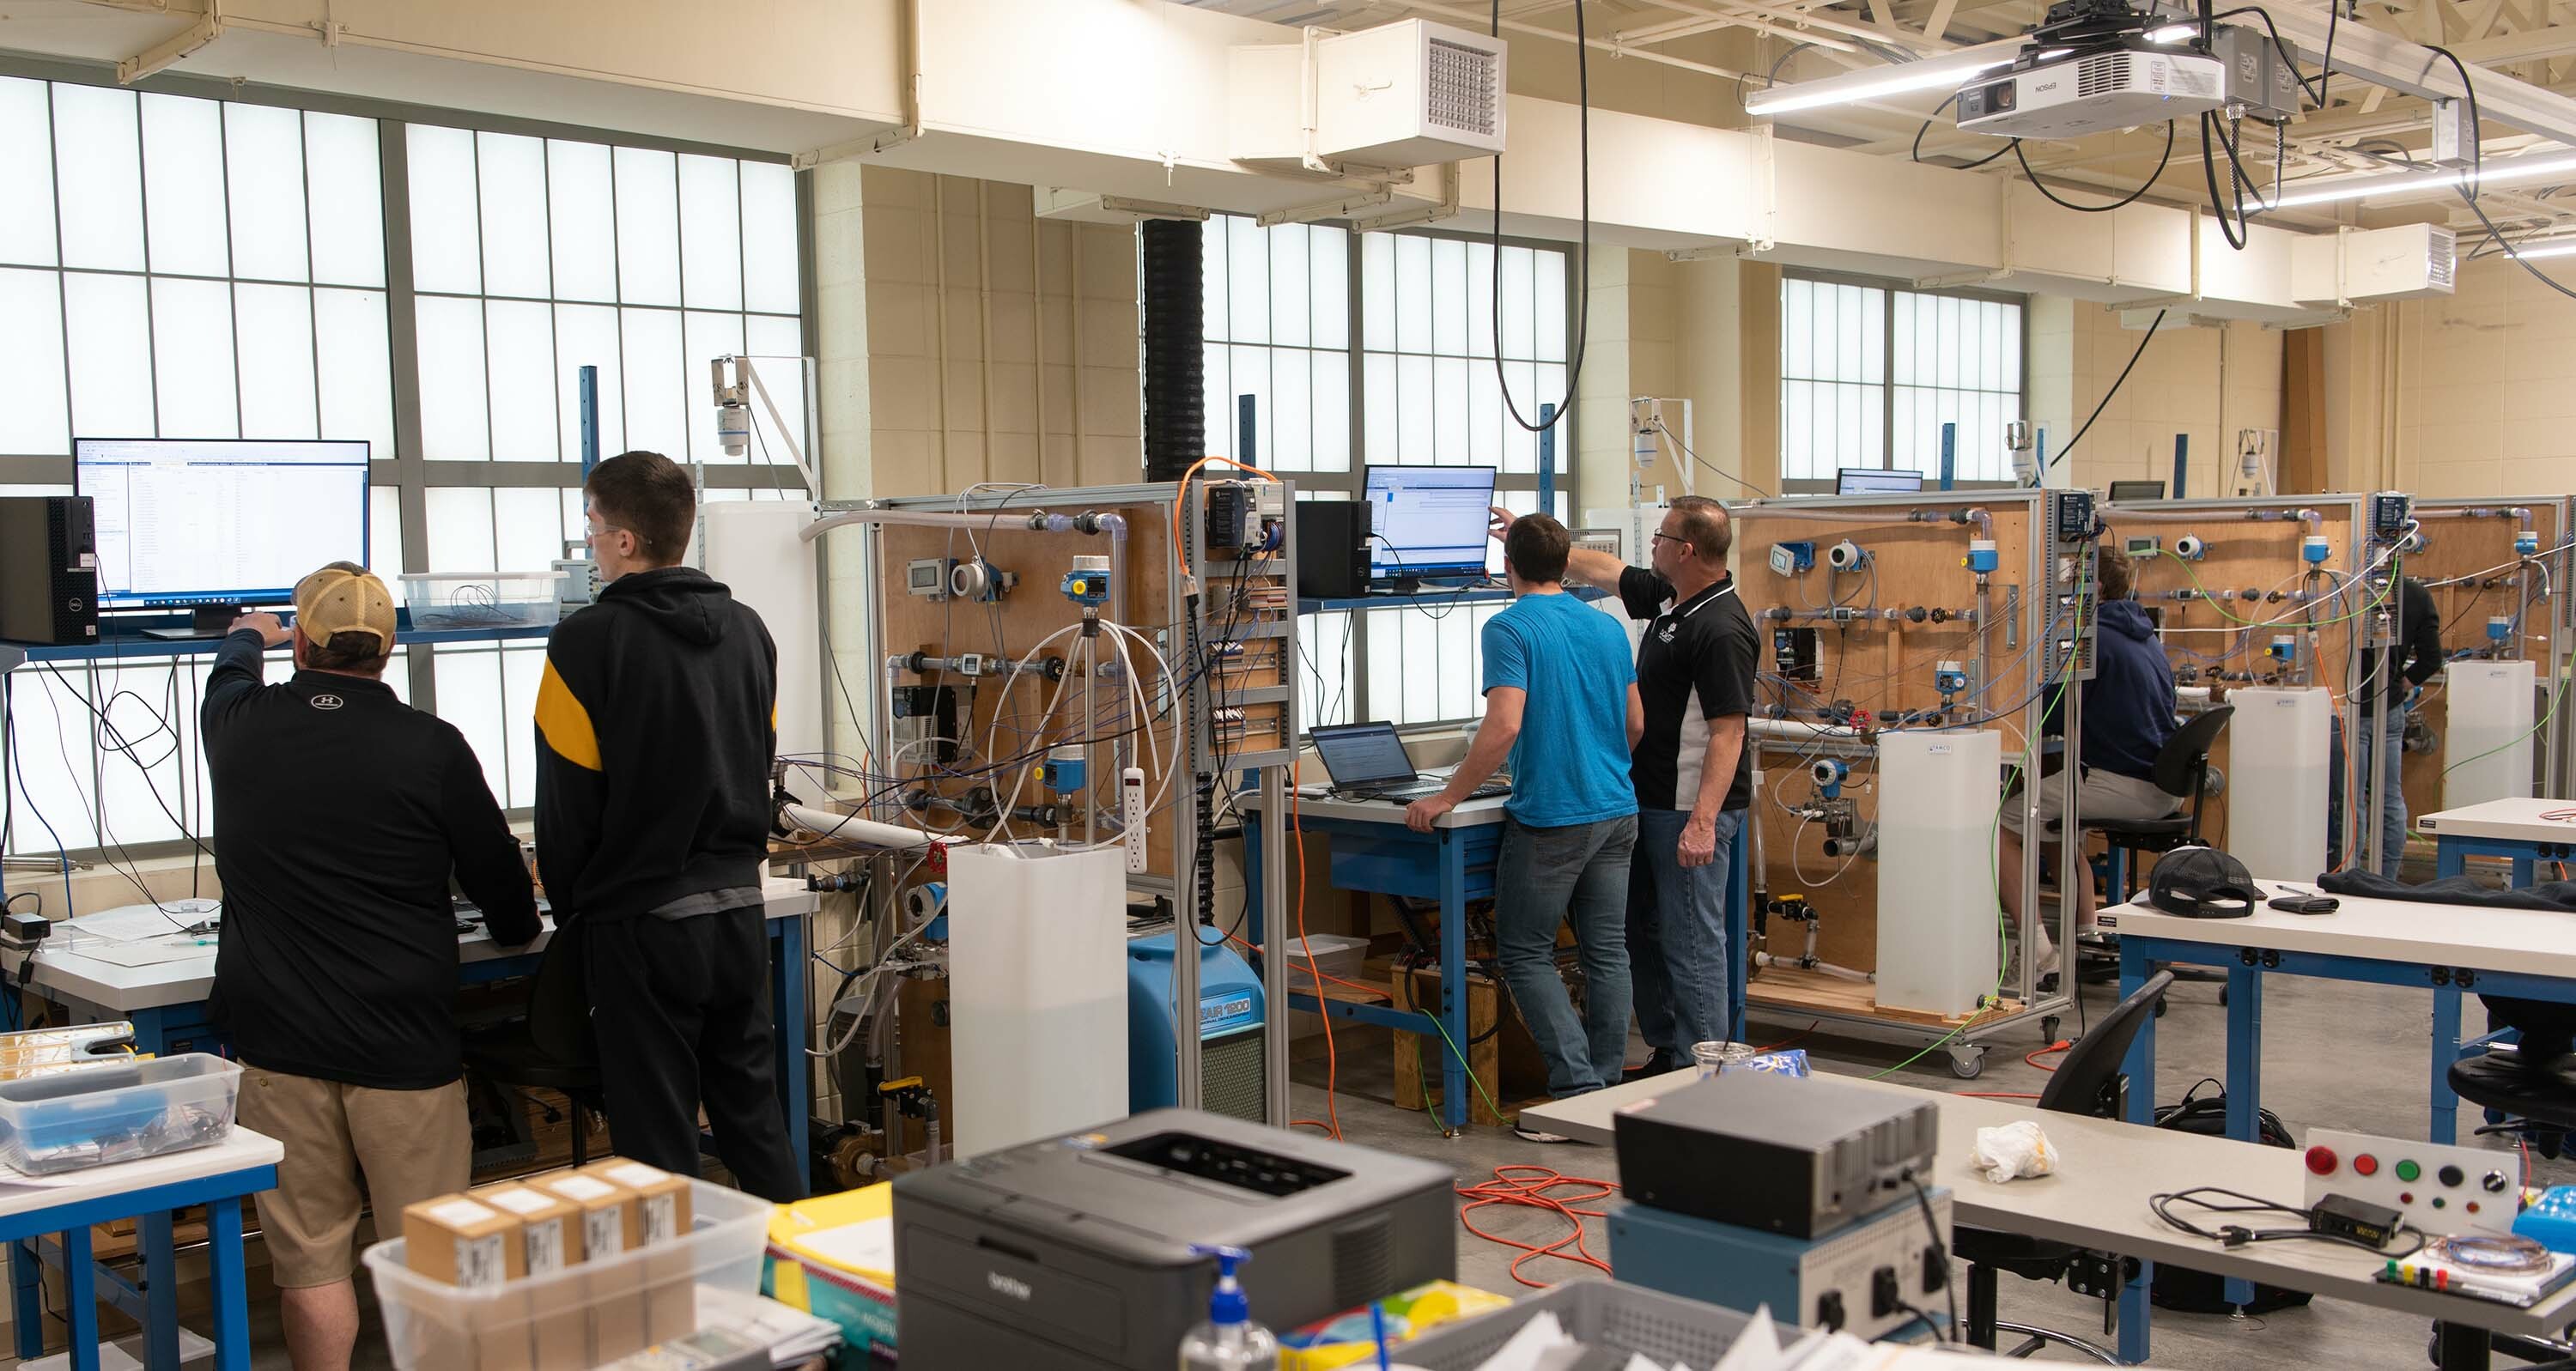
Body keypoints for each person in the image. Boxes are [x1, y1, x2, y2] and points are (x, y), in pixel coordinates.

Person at [203, 563, 539, 1371]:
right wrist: (515, 920)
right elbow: (507, 898)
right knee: (433, 1258)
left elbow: (229, 666)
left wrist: (253, 629)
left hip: (279, 1047)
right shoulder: (431, 745)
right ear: (387, 649)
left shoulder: (239, 724)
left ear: (306, 643)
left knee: (310, 1260)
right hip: (402, 1049)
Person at [535, 450, 805, 1201]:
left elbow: (567, 806)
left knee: (658, 1147)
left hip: (643, 926)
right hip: (737, 913)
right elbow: (759, 760)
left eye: (591, 525)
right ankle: (813, 1295)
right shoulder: (751, 632)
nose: (587, 541)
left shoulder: (585, 643)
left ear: (625, 540)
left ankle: (681, 1313)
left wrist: (579, 914)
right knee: (754, 1121)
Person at [1407, 514, 1643, 1138]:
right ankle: (1607, 1089)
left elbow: (1505, 724)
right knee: (1607, 951)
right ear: (1567, 564)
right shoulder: (1607, 626)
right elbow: (1636, 724)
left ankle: (1574, 1092)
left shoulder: (1508, 627)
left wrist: (1448, 797)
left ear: (1507, 565)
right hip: (1618, 810)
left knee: (1524, 951)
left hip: (1555, 817)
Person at [1521, 500, 1758, 1079]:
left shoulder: (1721, 626)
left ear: (1688, 550)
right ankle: (1668, 1051)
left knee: (1691, 941)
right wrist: (1535, 546)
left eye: (1660, 537)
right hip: (1643, 804)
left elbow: (1729, 732)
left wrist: (1703, 820)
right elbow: (1606, 571)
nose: (1651, 546)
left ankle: (1707, 1072)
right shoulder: (1673, 597)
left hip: (1688, 810)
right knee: (1640, 932)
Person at [1998, 546, 2184, 960]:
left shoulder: (2091, 639)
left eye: (2069, 581)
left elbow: (2049, 711)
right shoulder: (2145, 636)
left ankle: (2036, 952)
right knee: (2051, 821)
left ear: (2092, 587)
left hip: (2123, 784)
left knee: (2002, 829)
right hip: (2161, 785)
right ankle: (2086, 936)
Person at [2330, 575, 2442, 879]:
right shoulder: (2416, 594)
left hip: (2348, 710)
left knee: (2352, 802)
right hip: (2389, 708)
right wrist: (2399, 685)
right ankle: (2387, 880)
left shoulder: (2343, 591)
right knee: (2389, 798)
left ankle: (2348, 878)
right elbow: (2432, 659)